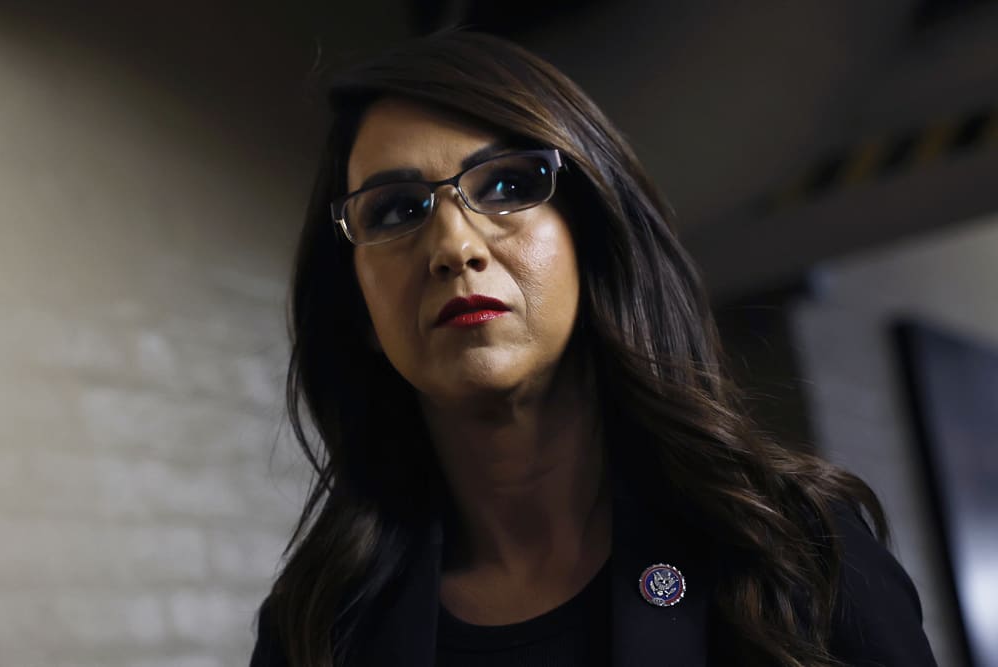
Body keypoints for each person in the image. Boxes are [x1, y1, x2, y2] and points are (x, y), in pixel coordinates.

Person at [250, 30, 938, 667]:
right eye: (397, 210)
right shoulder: (316, 625)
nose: (456, 247)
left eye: (509, 187)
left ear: (593, 243)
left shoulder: (794, 551)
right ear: (359, 308)